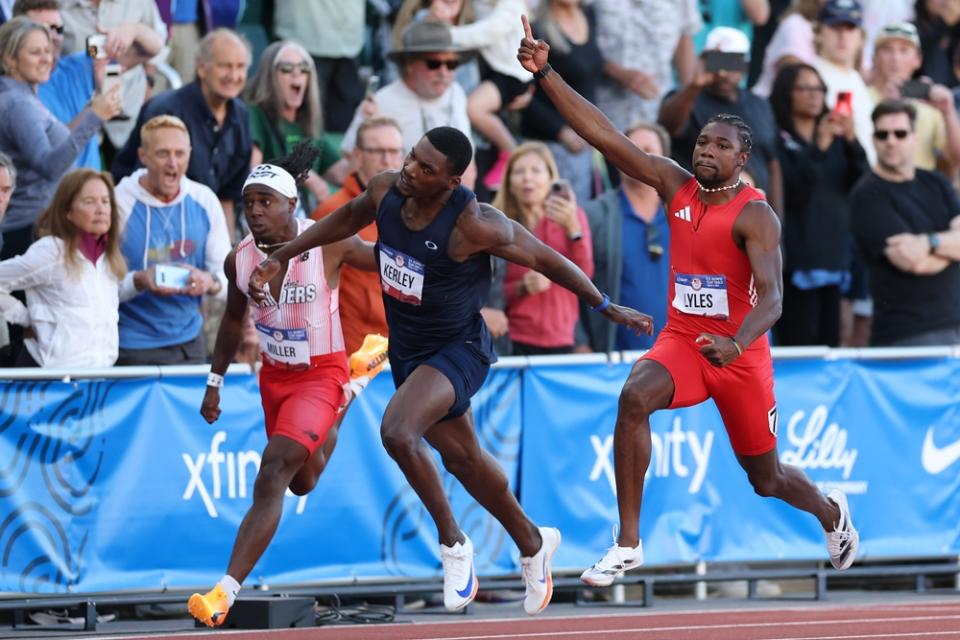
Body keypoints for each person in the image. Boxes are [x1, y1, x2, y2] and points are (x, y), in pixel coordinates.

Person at [247, 126, 652, 614]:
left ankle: (454, 543)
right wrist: (282, 256)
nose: (409, 171)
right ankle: (532, 541)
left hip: (460, 347)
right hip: (410, 351)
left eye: (424, 168)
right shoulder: (385, 190)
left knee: (397, 431)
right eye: (411, 158)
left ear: (451, 179)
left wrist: (606, 305)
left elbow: (547, 259)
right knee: (465, 459)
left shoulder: (476, 225)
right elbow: (341, 221)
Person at [517, 15, 860, 585]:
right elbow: (603, 135)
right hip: (684, 340)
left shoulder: (754, 214)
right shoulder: (673, 183)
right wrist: (546, 73)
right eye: (702, 141)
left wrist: (738, 341)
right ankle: (628, 542)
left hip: (740, 354)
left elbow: (773, 300)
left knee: (766, 477)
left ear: (740, 159)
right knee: (633, 398)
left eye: (721, 146)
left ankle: (831, 512)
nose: (706, 151)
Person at [187, 144, 386, 627]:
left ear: (291, 205)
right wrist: (214, 382)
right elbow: (232, 324)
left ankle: (223, 592)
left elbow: (380, 260)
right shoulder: (240, 259)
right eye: (249, 202)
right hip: (275, 377)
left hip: (322, 371)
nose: (254, 211)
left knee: (272, 471)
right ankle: (356, 387)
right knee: (302, 480)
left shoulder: (328, 244)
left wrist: (432, 247)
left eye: (265, 202)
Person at [112, 29, 252, 240]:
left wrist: (227, 257)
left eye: (240, 67)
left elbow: (227, 197)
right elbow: (147, 188)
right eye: (225, 66)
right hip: (148, 225)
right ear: (202, 68)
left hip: (205, 227)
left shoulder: (240, 115)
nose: (233, 76)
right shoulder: (166, 109)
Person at [0, 16, 121, 259]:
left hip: (35, 225)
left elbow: (60, 140)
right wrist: (94, 117)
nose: (47, 58)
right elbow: (49, 165)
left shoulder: (22, 96)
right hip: (27, 230)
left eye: (48, 50)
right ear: (9, 59)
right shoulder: (18, 103)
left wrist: (94, 106)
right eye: (36, 52)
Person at [113, 115, 231, 365]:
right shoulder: (118, 202)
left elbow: (228, 277)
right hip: (132, 345)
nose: (172, 163)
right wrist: (139, 280)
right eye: (163, 154)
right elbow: (97, 287)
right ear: (143, 156)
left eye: (180, 154)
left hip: (190, 343)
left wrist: (209, 282)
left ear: (190, 153)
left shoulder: (204, 200)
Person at [769, 63, 868, 346]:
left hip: (837, 259)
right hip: (797, 263)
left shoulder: (838, 140)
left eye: (819, 89)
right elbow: (792, 193)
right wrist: (819, 149)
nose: (814, 95)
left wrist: (851, 142)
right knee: (800, 345)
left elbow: (863, 184)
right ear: (787, 93)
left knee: (834, 346)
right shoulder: (778, 140)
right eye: (804, 88)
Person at [849, 99, 960, 346]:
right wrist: (951, 247)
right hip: (908, 334)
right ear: (873, 139)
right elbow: (914, 262)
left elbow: (924, 253)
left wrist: (928, 242)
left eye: (900, 133)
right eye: (882, 134)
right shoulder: (866, 195)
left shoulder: (937, 182)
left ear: (914, 138)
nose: (891, 141)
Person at [13, 0, 163, 172]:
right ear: (16, 35)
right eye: (42, 29)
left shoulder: (80, 65)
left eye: (58, 29)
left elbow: (152, 49)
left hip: (91, 191)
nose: (52, 37)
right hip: (55, 195)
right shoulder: (12, 93)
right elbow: (50, 153)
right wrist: (94, 112)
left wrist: (131, 31)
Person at [0, 168, 126, 367]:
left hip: (98, 381)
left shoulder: (110, 258)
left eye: (105, 201)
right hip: (49, 382)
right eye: (89, 201)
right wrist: (24, 317)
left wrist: (138, 282)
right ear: (68, 211)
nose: (101, 209)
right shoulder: (51, 251)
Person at [659, 26, 784, 216]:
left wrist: (777, 219)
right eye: (717, 63)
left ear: (745, 65)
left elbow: (773, 164)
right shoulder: (686, 98)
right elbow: (668, 127)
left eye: (732, 63)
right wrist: (694, 85)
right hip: (702, 213)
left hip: (755, 214)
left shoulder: (760, 105)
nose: (723, 72)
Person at [312, 116, 404, 354]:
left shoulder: (417, 213)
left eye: (394, 151)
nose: (387, 159)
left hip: (404, 348)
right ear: (357, 156)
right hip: (352, 353)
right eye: (378, 151)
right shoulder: (332, 212)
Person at [492, 141, 593, 355]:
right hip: (513, 338)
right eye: (519, 171)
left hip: (562, 338)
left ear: (550, 178)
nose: (527, 177)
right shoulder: (499, 224)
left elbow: (586, 277)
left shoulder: (573, 216)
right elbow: (488, 292)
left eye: (536, 171)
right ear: (509, 181)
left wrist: (574, 229)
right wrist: (521, 287)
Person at [579, 122, 672, 353]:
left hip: (681, 359)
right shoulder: (593, 215)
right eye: (631, 150)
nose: (639, 158)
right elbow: (570, 280)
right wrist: (579, 344)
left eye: (649, 151)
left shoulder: (685, 216)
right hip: (612, 363)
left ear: (666, 162)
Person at [243, 40, 344, 210]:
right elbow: (253, 172)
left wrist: (362, 120)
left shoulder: (308, 123)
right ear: (270, 76)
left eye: (304, 69)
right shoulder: (256, 113)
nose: (297, 74)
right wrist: (307, 176)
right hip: (270, 214)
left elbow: (341, 174)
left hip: (304, 218)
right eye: (286, 69)